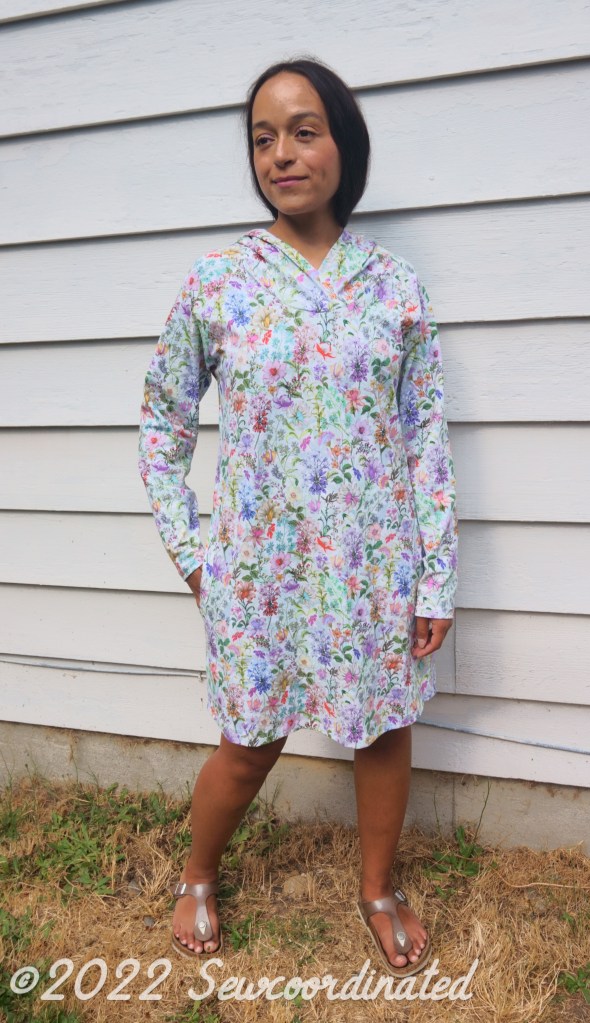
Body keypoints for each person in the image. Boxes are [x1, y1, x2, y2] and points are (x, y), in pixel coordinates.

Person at [138, 56, 458, 978]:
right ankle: (198, 872)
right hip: (261, 570)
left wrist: (434, 576)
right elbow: (163, 420)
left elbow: (425, 437)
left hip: (373, 563)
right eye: (263, 138)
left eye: (304, 131)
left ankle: (377, 890)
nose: (281, 153)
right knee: (250, 742)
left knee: (382, 729)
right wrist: (192, 550)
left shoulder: (394, 288)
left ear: (343, 144)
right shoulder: (218, 282)